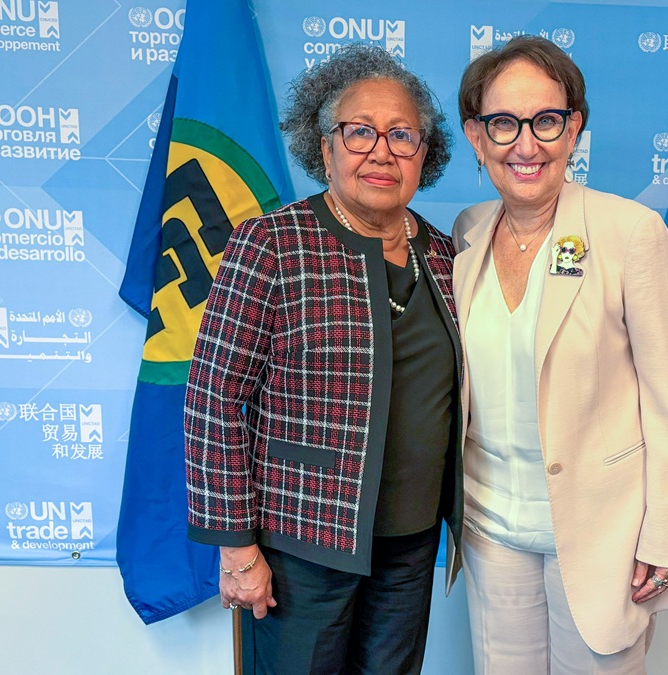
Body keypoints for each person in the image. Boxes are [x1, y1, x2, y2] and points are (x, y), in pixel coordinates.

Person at [185, 44, 461, 674]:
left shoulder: (446, 255)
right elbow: (213, 398)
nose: (382, 151)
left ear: (426, 152)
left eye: (402, 135)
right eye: (359, 131)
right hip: (300, 540)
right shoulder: (272, 243)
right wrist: (236, 548)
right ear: (326, 145)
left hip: (412, 543)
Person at [453, 35, 668, 672]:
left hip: (603, 534)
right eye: (503, 123)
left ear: (574, 130)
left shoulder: (630, 233)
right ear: (476, 136)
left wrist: (666, 533)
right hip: (491, 528)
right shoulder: (468, 231)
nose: (526, 144)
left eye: (547, 120)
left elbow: (667, 400)